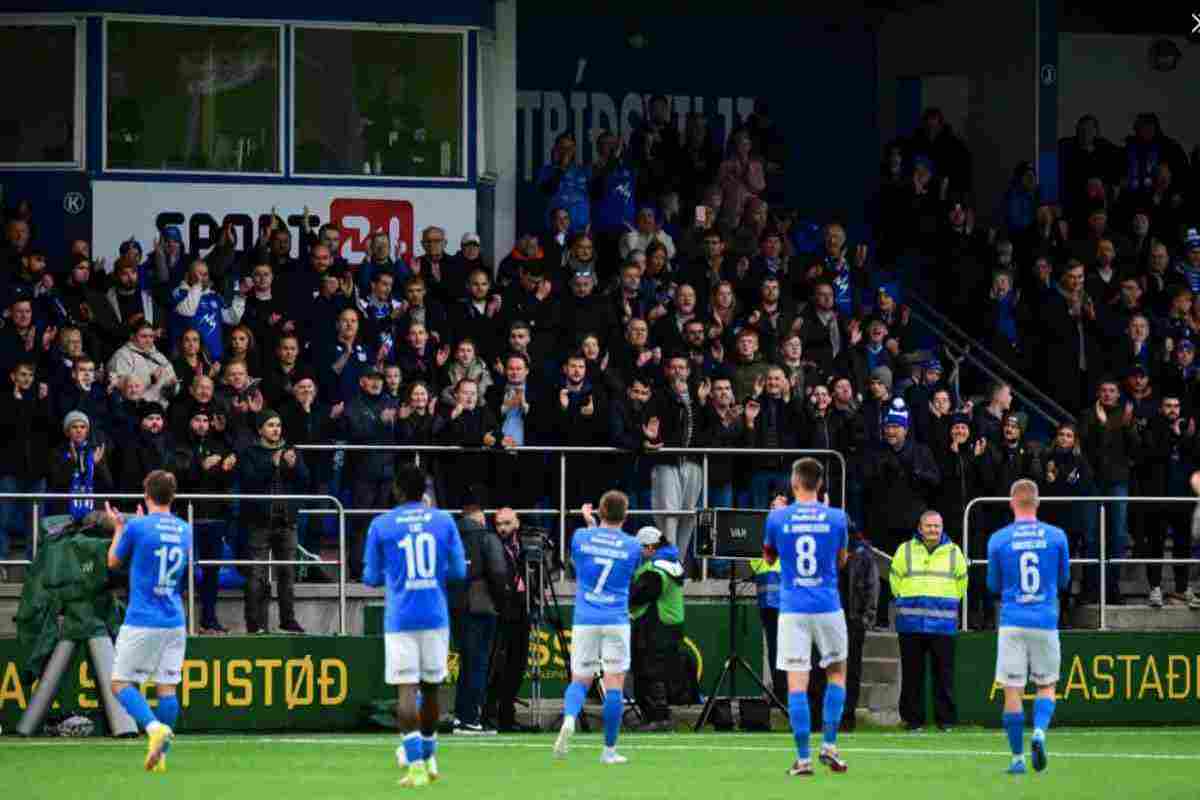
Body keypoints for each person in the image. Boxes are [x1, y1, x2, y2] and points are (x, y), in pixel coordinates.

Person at [364, 464, 467, 788]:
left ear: (396, 491)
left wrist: (394, 575)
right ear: (425, 491)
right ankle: (430, 755)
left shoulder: (381, 524)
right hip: (435, 615)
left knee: (406, 689)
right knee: (433, 688)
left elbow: (369, 577)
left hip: (400, 618)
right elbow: (458, 572)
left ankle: (416, 767)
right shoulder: (444, 520)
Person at [762, 457, 850, 776]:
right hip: (828, 605)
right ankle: (829, 745)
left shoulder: (777, 518)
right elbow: (841, 561)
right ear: (821, 484)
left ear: (794, 483)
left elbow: (769, 559)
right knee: (836, 675)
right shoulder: (838, 517)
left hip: (793, 608)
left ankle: (803, 759)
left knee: (797, 684)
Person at [104, 470, 193, 773]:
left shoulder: (137, 526)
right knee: (167, 688)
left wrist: (119, 527)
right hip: (175, 618)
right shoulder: (185, 528)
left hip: (143, 618)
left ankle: (154, 728)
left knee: (119, 683)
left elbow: (113, 561)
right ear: (173, 496)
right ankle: (160, 755)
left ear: (146, 494)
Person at [987, 479, 1070, 775]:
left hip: (1012, 621)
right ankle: (1039, 733)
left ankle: (1017, 759)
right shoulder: (1057, 536)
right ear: (1037, 502)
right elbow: (1063, 581)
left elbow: (993, 584)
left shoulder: (998, 539)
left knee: (1012, 690)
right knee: (1046, 684)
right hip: (1045, 619)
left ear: (1011, 502)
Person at [554, 490, 641, 765]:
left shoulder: (580, 537)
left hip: (585, 618)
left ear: (600, 512)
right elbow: (622, 560)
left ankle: (569, 719)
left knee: (580, 679)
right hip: (616, 618)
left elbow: (584, 557)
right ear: (625, 516)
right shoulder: (633, 545)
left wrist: (589, 523)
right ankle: (609, 751)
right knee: (614, 684)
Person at [889, 510, 968, 731]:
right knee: (912, 675)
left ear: (942, 528)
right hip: (911, 624)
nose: (933, 530)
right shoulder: (905, 550)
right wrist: (907, 600)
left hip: (943, 625)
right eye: (929, 526)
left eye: (937, 526)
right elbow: (895, 580)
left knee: (944, 675)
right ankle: (913, 721)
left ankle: (946, 720)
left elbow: (962, 584)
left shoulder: (954, 552)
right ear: (920, 528)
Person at [450, 485, 508, 735]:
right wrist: (501, 600)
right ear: (481, 517)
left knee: (466, 662)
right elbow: (497, 572)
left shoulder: (451, 538)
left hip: (455, 605)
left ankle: (460, 715)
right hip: (481, 606)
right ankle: (471, 718)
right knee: (479, 663)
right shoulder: (487, 537)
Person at [629, 525, 685, 731]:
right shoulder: (673, 564)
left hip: (653, 625)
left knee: (648, 671)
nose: (638, 552)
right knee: (659, 671)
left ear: (651, 547)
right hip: (670, 625)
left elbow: (637, 597)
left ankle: (657, 718)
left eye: (641, 548)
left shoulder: (653, 570)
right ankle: (659, 717)